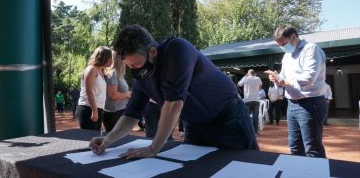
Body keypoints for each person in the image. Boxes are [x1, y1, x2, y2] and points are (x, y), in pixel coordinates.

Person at [89, 24, 258, 159]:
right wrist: (108, 139)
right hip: (194, 125)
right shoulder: (142, 77)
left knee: (244, 166)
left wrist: (153, 148)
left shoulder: (177, 49)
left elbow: (174, 104)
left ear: (152, 52)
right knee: (196, 168)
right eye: (129, 66)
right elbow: (131, 115)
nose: (134, 70)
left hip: (228, 119)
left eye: (136, 65)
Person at [265, 24, 326, 158]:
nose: (282, 47)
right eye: (279, 45)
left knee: (312, 149)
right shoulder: (287, 55)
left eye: (284, 43)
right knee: (295, 147)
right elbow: (284, 79)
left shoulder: (311, 49)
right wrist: (277, 78)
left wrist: (283, 81)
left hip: (311, 103)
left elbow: (309, 78)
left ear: (294, 37)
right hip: (292, 105)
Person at [76, 46, 112, 130]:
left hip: (98, 109)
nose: (110, 60)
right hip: (88, 109)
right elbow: (89, 91)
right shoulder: (91, 69)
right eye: (108, 58)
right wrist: (94, 111)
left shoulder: (101, 72)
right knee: (88, 139)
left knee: (95, 138)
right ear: (101, 57)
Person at [103, 51, 131, 132]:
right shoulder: (113, 73)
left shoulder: (118, 74)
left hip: (120, 111)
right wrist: (127, 94)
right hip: (114, 114)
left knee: (123, 139)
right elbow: (113, 95)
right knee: (115, 141)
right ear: (120, 60)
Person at [237, 69, 262, 134]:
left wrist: (245, 76)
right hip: (256, 100)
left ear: (248, 73)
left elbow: (238, 84)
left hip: (247, 100)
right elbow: (260, 86)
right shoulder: (258, 78)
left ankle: (249, 131)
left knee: (247, 117)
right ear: (254, 73)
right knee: (255, 117)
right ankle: (255, 131)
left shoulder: (245, 78)